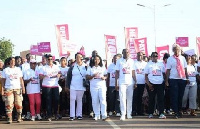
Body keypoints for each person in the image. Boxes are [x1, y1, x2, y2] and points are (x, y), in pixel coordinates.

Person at [165, 44, 189, 119]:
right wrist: (166, 81)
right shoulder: (170, 59)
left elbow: (185, 69)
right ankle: (176, 111)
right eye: (175, 49)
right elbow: (168, 70)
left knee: (180, 96)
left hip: (182, 79)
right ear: (173, 50)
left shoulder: (183, 58)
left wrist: (187, 78)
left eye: (178, 49)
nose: (177, 51)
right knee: (174, 96)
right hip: (173, 79)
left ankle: (179, 110)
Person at [1, 57, 25, 124]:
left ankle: (19, 116)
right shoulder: (6, 70)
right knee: (9, 103)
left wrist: (23, 88)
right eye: (12, 61)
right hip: (8, 89)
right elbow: (3, 81)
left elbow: (21, 79)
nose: (13, 62)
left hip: (17, 88)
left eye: (14, 61)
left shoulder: (18, 69)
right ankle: (9, 118)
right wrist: (2, 90)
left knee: (18, 103)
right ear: (9, 62)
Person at [115, 49, 136, 121]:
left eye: (127, 52)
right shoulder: (119, 61)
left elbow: (133, 72)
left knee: (130, 98)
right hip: (122, 82)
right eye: (125, 52)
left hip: (130, 82)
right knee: (122, 98)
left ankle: (129, 113)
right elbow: (117, 73)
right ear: (122, 53)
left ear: (129, 53)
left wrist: (135, 81)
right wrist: (116, 83)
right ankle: (123, 114)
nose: (126, 54)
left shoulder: (132, 61)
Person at [39, 54, 61, 121]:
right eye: (49, 59)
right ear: (46, 60)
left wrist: (58, 75)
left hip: (55, 85)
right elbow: (40, 77)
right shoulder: (43, 68)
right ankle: (49, 115)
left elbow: (59, 73)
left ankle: (56, 114)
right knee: (48, 101)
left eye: (51, 59)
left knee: (56, 100)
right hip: (47, 85)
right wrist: (45, 76)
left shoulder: (56, 67)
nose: (50, 61)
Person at [144, 52, 166, 119]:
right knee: (151, 99)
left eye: (156, 56)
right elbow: (146, 75)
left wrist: (164, 82)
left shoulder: (161, 64)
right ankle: (150, 113)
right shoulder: (148, 64)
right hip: (151, 84)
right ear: (151, 57)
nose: (155, 57)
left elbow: (164, 74)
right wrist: (148, 84)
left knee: (161, 99)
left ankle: (161, 113)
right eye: (153, 56)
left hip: (160, 84)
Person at [86, 55, 108, 120]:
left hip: (101, 85)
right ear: (93, 60)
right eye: (95, 59)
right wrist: (93, 76)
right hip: (93, 85)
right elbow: (87, 77)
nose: (96, 61)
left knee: (103, 99)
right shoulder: (90, 67)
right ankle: (97, 114)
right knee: (95, 100)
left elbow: (106, 75)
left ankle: (104, 114)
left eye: (98, 59)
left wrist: (104, 77)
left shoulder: (102, 67)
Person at [67, 53, 87, 121]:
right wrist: (67, 86)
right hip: (73, 85)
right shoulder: (72, 66)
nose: (79, 58)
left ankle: (79, 115)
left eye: (80, 57)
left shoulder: (85, 66)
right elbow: (68, 76)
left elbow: (87, 75)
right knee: (72, 99)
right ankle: (72, 115)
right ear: (75, 58)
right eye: (77, 57)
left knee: (79, 100)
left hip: (81, 86)